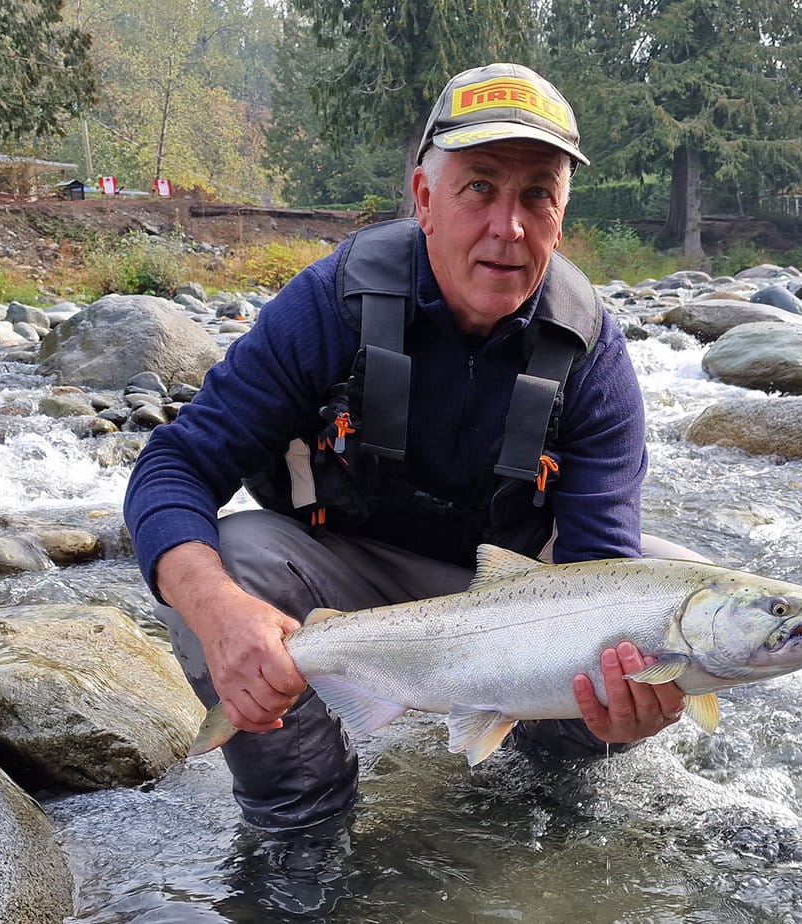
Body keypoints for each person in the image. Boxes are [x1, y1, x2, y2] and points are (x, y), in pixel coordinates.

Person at [123, 62, 699, 833]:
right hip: (349, 570)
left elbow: (600, 560)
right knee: (226, 559)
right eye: (480, 188)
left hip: (519, 597)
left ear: (560, 216)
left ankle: (549, 782)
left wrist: (625, 700)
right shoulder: (331, 305)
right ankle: (301, 825)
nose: (509, 227)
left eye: (537, 196)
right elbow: (174, 466)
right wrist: (218, 610)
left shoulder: (589, 350)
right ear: (425, 200)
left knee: (669, 594)